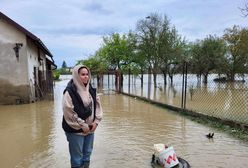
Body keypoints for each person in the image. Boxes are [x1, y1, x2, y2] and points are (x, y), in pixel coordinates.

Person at [62, 65, 103, 168]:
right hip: (75, 130)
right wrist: (82, 125)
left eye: (87, 74)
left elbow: (98, 107)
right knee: (77, 158)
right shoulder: (69, 92)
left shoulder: (91, 90)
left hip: (91, 129)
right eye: (82, 74)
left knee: (87, 155)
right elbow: (69, 112)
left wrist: (96, 122)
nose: (86, 77)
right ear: (76, 75)